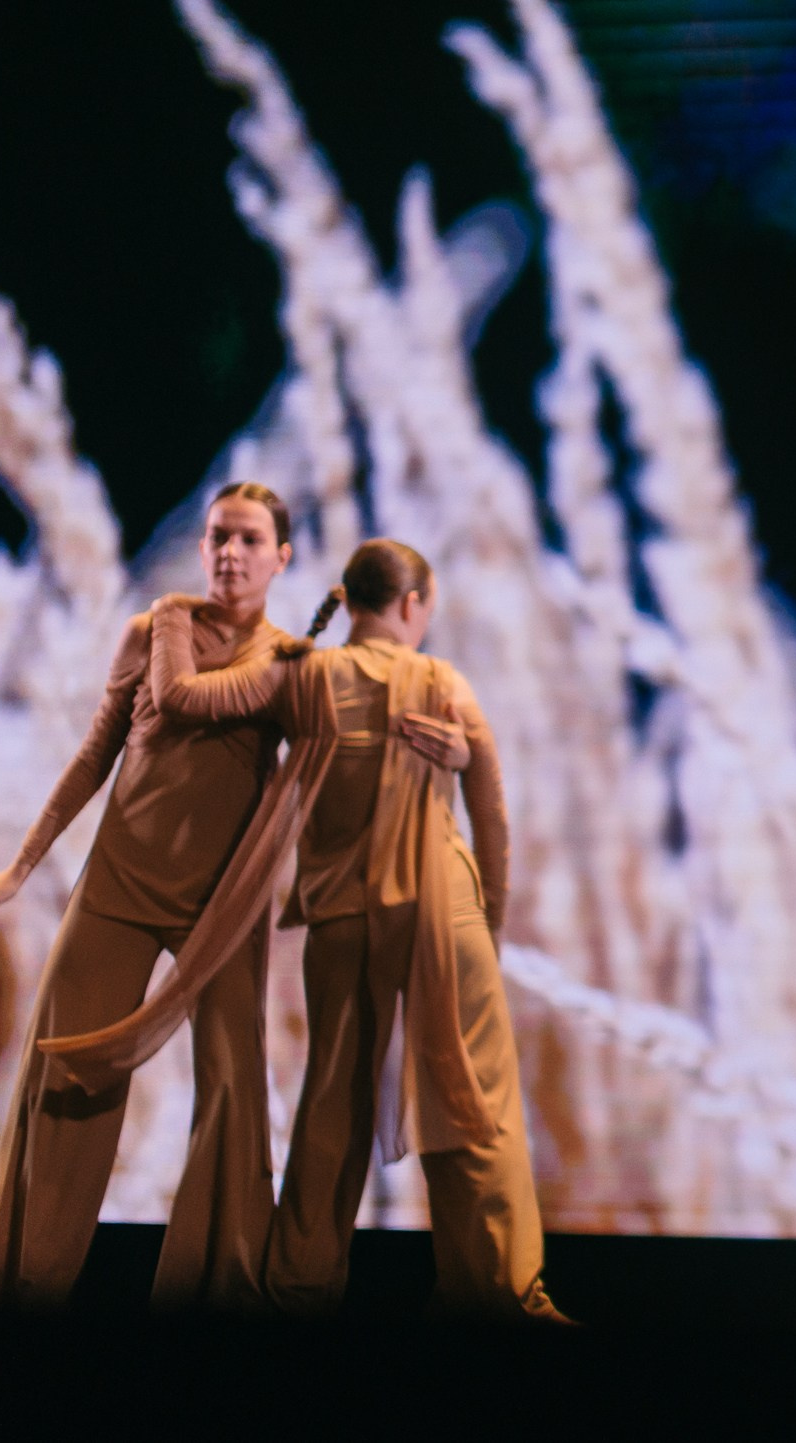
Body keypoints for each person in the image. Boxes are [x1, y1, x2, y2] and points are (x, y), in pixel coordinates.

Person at [52, 539, 562, 1319]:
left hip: (345, 917)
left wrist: (172, 620)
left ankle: (298, 1288)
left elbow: (189, 700)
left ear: (348, 600)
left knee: (333, 1104)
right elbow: (490, 812)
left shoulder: (300, 674)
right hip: (443, 916)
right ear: (413, 605)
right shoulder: (444, 683)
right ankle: (501, 1293)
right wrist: (486, 921)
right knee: (472, 1101)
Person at [0, 484, 302, 1310]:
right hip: (117, 887)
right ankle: (20, 1287)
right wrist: (21, 869)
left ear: (281, 557)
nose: (228, 553)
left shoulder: (294, 666)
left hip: (220, 908)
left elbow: (335, 763)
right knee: (64, 1073)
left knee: (235, 1093)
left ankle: (219, 1294)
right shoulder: (154, 631)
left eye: (249, 539)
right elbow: (93, 755)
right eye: (217, 536)